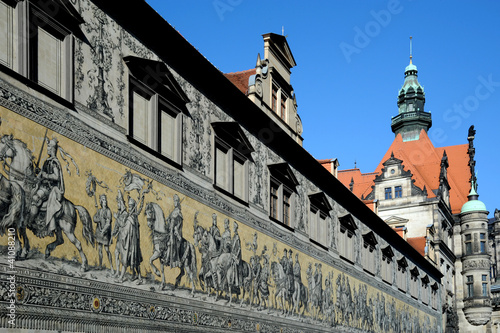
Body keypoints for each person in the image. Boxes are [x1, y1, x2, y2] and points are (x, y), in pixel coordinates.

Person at [30, 138, 65, 235]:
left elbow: (56, 176)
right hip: (42, 185)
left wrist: (45, 175)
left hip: (48, 188)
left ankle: (30, 221)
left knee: (35, 198)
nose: (47, 148)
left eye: (49, 146)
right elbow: (42, 173)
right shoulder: (47, 161)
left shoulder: (54, 162)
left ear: (53, 148)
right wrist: (39, 172)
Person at [93, 194, 114, 273]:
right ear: (101, 201)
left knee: (107, 249)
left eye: (105, 199)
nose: (104, 201)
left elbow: (108, 223)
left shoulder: (108, 211)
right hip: (99, 231)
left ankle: (111, 266)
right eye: (103, 200)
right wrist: (97, 219)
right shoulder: (99, 210)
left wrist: (103, 231)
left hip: (105, 233)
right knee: (99, 249)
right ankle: (100, 265)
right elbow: (94, 218)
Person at [167, 194, 183, 268]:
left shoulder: (179, 212)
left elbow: (179, 222)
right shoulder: (173, 211)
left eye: (176, 201)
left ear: (178, 202)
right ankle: (165, 256)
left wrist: (176, 228)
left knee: (172, 243)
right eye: (174, 201)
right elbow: (170, 219)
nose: (175, 202)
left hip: (175, 232)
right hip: (170, 230)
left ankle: (172, 260)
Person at [231, 221, 242, 287]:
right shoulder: (234, 236)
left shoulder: (237, 237)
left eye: (234, 227)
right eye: (233, 227)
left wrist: (236, 256)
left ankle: (236, 282)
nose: (233, 228)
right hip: (232, 254)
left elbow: (239, 248)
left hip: (236, 256)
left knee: (234, 265)